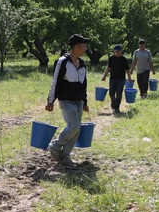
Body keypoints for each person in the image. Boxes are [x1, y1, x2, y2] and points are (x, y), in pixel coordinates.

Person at [45, 34, 90, 166]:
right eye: (84, 46)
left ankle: (65, 156)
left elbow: (84, 84)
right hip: (66, 100)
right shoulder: (62, 62)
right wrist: (50, 101)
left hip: (78, 100)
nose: (85, 48)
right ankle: (55, 146)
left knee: (77, 130)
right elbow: (55, 82)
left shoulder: (82, 64)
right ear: (76, 47)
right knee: (73, 126)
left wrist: (85, 101)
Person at [101, 44, 132, 113]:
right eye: (116, 51)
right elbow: (108, 68)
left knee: (119, 93)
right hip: (112, 78)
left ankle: (117, 107)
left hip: (121, 79)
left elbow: (127, 69)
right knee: (111, 92)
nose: (118, 52)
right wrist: (104, 76)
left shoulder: (124, 59)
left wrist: (129, 78)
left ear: (121, 51)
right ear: (114, 51)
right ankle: (113, 102)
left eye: (119, 51)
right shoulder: (111, 58)